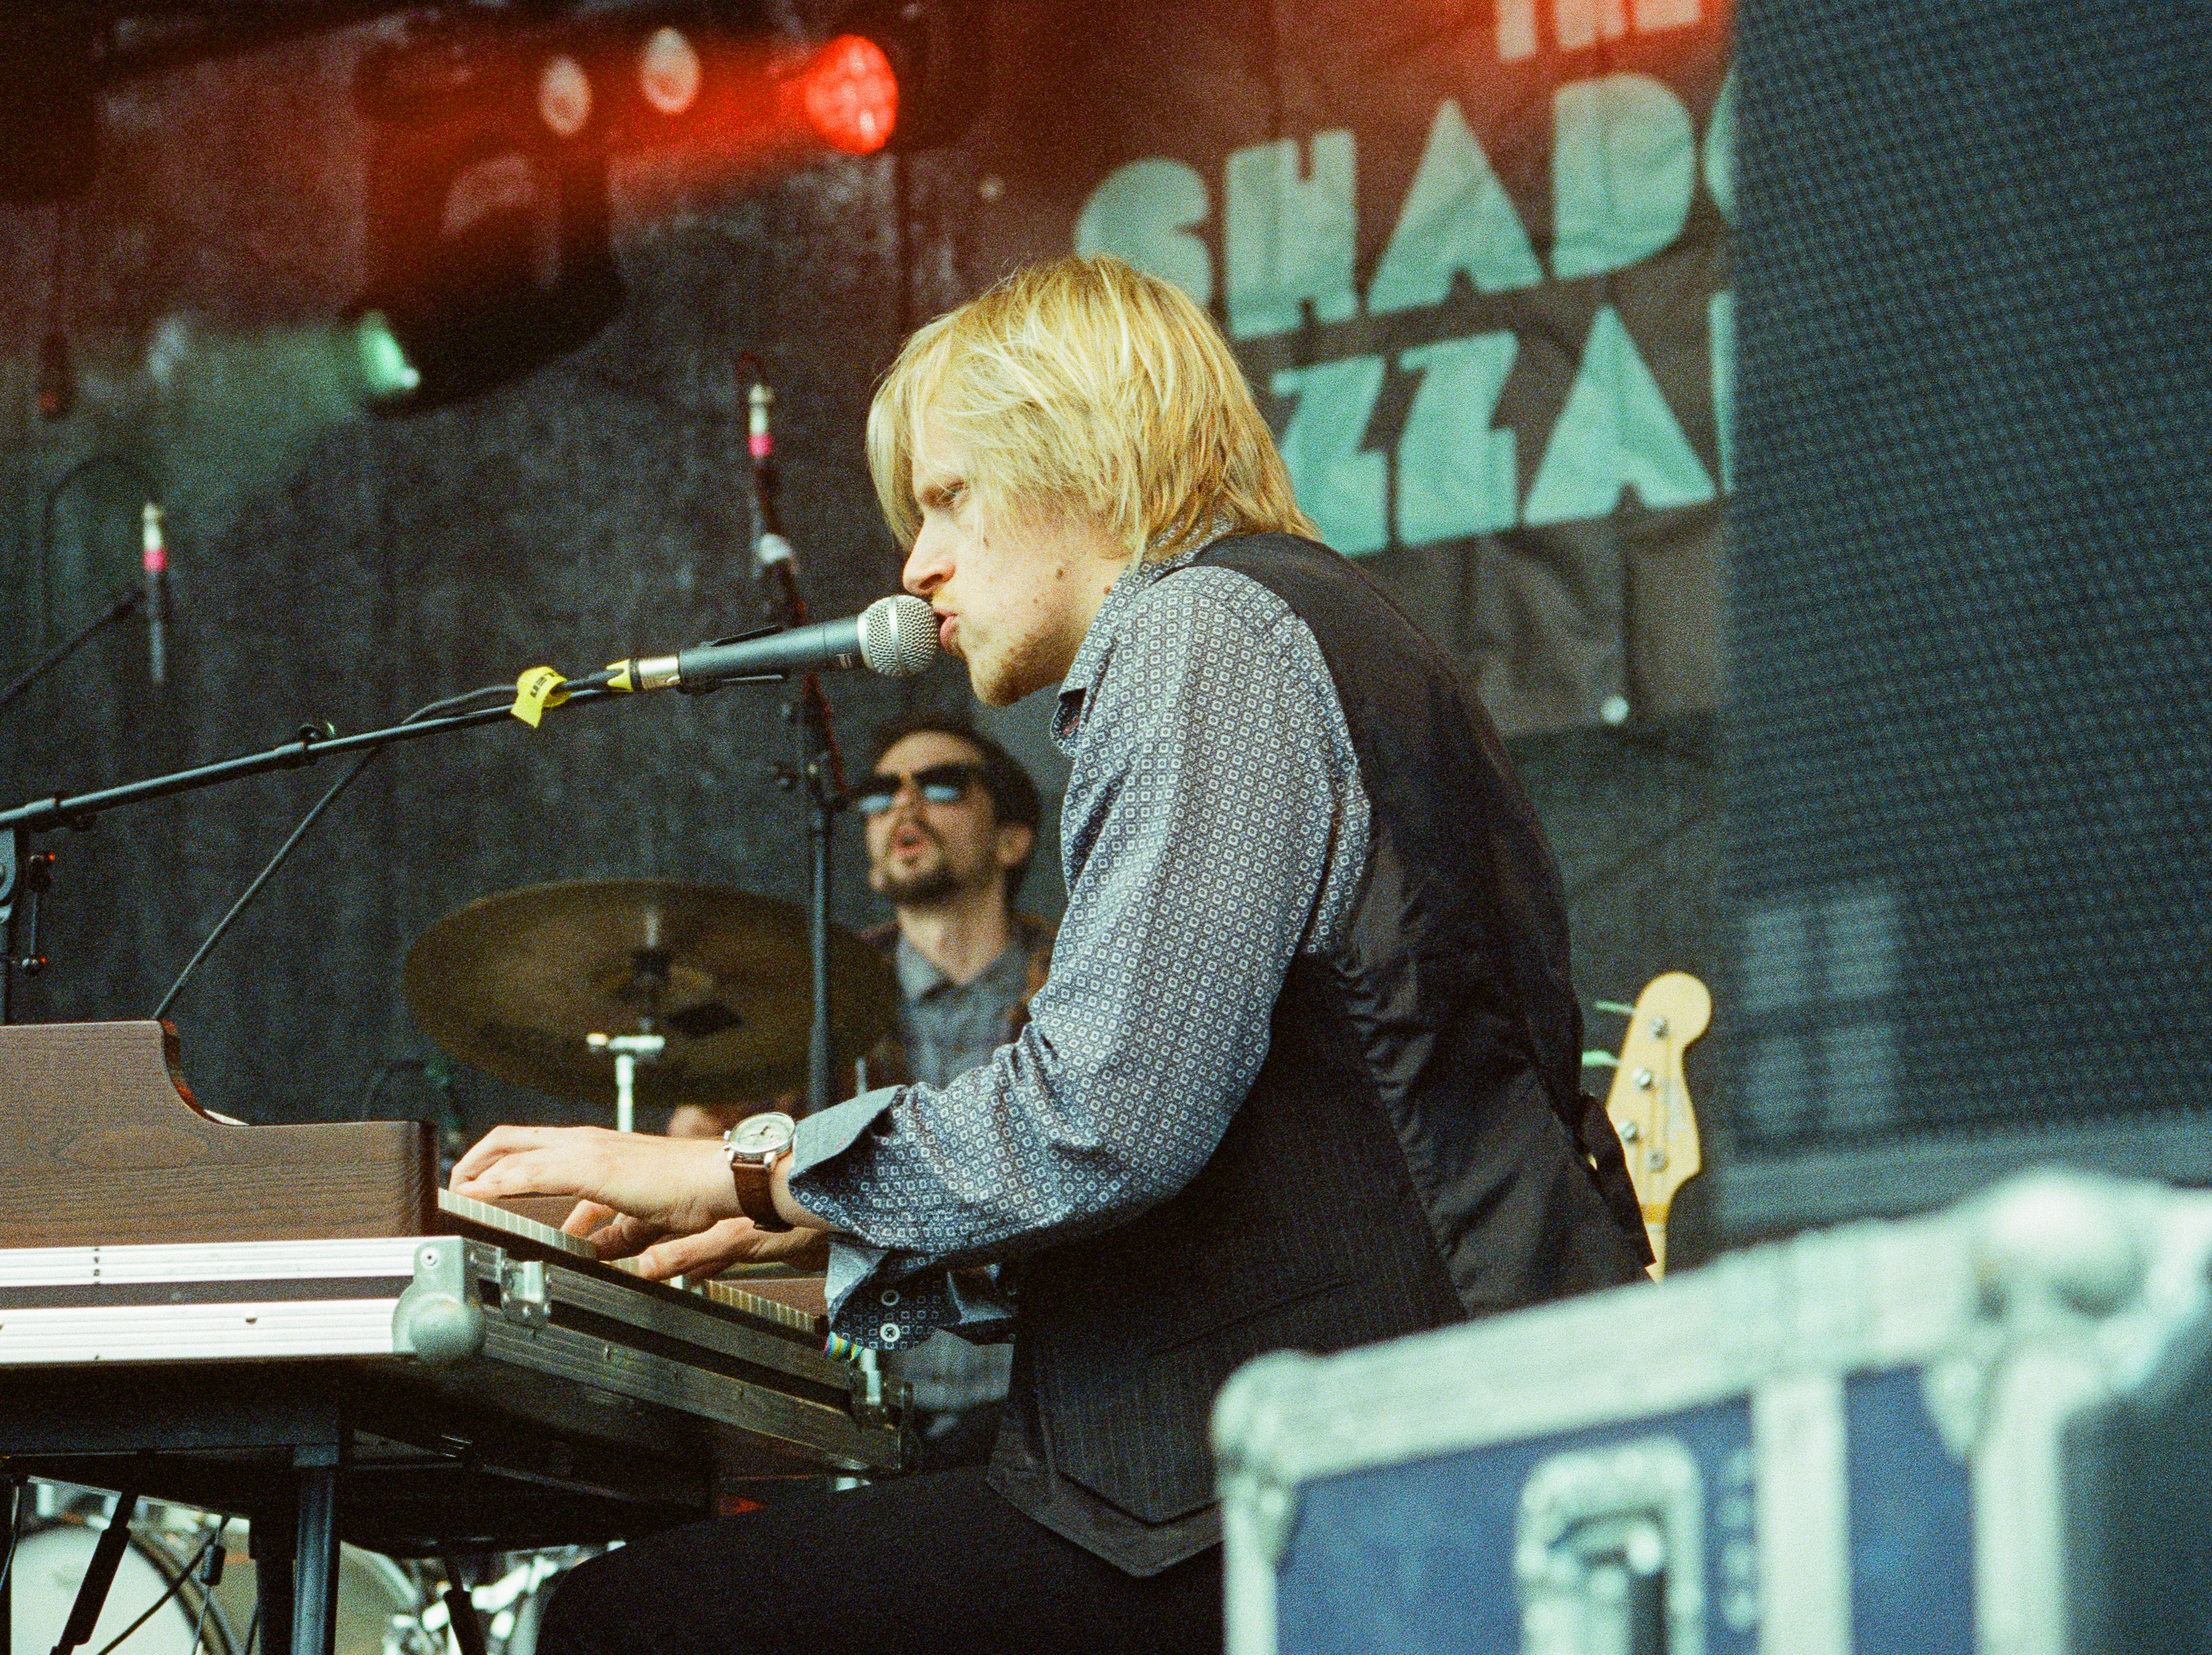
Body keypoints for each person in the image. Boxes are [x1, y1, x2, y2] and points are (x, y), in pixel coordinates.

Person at [451, 253, 1651, 1654]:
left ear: (1081, 449)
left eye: (947, 498)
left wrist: (736, 1163)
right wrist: (811, 1209)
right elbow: (1238, 1163)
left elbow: (1106, 1118)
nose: (914, 565)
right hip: (1418, 1437)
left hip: (1348, 1487)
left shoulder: (1196, 630)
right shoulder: (1307, 630)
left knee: (616, 1624)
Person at [669, 715, 1051, 1465]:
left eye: (941, 785)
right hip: (858, 1398)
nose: (903, 808)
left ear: (1011, 839)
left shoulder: (1077, 984)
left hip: (1042, 1401)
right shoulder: (816, 997)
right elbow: (700, 1140)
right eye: (879, 795)